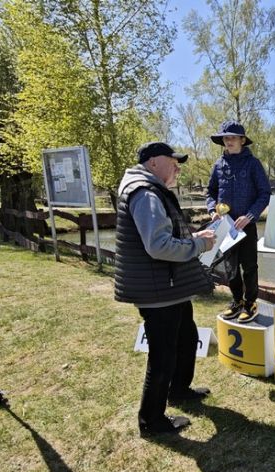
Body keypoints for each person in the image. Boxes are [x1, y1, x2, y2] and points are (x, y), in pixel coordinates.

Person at [114, 142, 217, 437]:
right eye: (173, 162)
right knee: (162, 356)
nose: (177, 168)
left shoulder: (150, 190)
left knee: (186, 338)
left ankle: (179, 390)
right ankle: (151, 421)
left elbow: (165, 234)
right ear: (154, 162)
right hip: (158, 290)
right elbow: (158, 246)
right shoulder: (145, 193)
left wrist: (194, 236)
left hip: (168, 286)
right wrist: (199, 245)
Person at [206, 120, 271, 323]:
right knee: (230, 268)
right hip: (225, 227)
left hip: (246, 226)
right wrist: (212, 210)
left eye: (233, 137)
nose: (229, 141)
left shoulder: (253, 164)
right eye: (226, 138)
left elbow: (264, 193)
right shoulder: (218, 165)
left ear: (242, 140)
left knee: (249, 267)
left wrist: (250, 215)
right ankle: (236, 301)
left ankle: (250, 303)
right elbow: (210, 192)